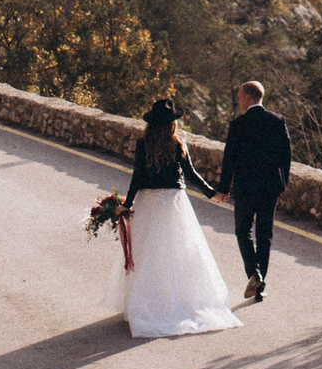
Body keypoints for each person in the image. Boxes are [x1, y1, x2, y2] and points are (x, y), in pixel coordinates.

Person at [103, 99, 240, 338]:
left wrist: (126, 205)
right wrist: (212, 193)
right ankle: (178, 303)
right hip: (174, 202)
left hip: (149, 202)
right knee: (179, 253)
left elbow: (137, 177)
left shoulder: (143, 143)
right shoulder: (178, 144)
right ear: (171, 124)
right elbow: (191, 174)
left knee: (148, 254)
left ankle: (150, 304)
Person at [218, 78, 291, 301]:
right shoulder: (277, 121)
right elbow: (286, 155)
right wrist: (282, 183)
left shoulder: (237, 125)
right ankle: (259, 283)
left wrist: (223, 188)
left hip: (246, 188)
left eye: (240, 97)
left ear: (249, 97)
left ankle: (254, 273)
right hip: (270, 187)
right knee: (264, 234)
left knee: (243, 231)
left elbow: (228, 159)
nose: (238, 101)